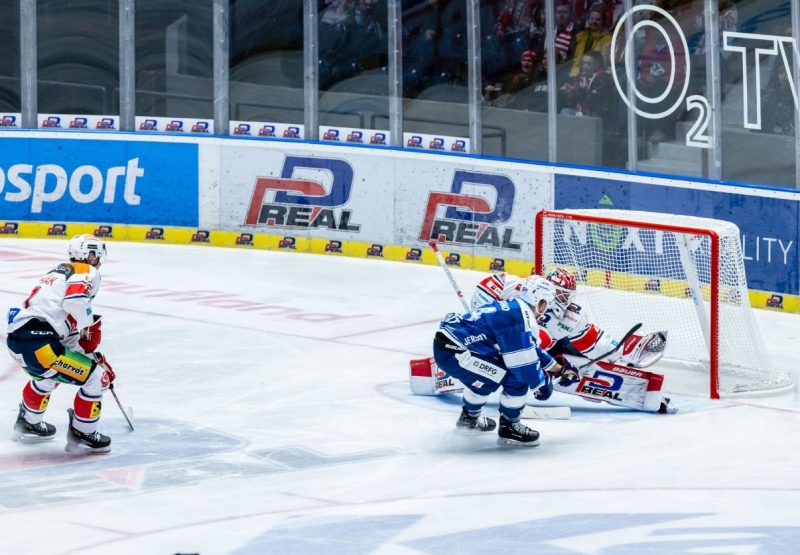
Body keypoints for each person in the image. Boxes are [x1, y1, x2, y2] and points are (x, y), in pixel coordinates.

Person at [471, 267, 674, 413]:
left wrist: (622, 350)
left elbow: (593, 341)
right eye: (561, 294)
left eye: (567, 295)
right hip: (498, 343)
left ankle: (630, 353)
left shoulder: (570, 316)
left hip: (535, 352)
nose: (564, 300)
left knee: (567, 351)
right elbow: (484, 293)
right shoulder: (517, 288)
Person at [6, 234, 116, 453]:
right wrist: (88, 326)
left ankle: (29, 422)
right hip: (42, 347)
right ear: (90, 254)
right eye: (97, 256)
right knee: (98, 379)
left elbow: (59, 323)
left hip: (20, 343)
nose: (99, 262)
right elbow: (76, 302)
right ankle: (82, 433)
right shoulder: (86, 271)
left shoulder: (59, 270)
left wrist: (88, 356)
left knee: (47, 377)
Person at [432, 275, 559, 447]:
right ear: (541, 302)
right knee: (517, 380)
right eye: (547, 305)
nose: (545, 311)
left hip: (450, 347)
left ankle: (468, 421)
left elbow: (530, 348)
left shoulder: (515, 309)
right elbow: (523, 365)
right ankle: (510, 426)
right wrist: (541, 384)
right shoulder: (519, 318)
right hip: (457, 354)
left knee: (484, 379)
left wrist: (555, 366)